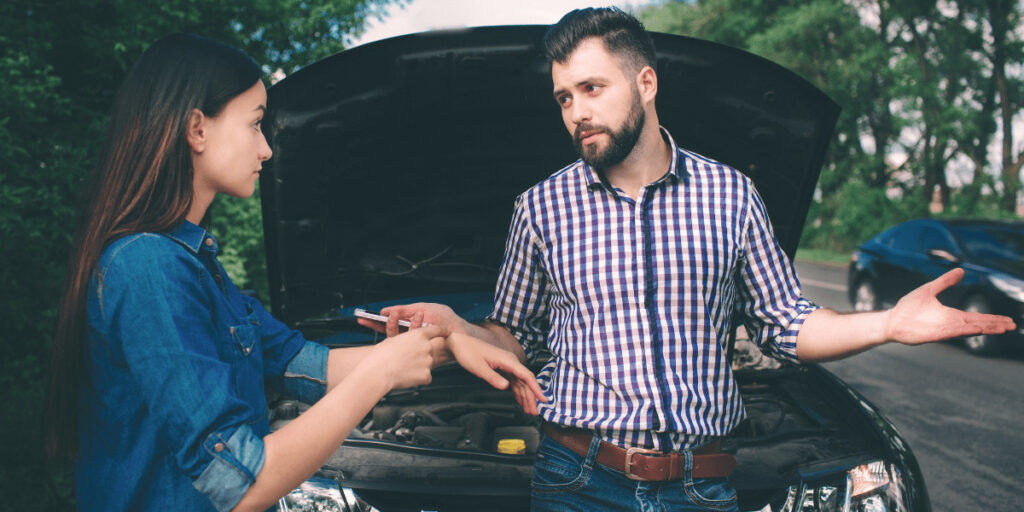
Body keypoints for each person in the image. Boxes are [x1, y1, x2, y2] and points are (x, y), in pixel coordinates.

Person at [361, 7, 1017, 512]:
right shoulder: (541, 208)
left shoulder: (731, 195)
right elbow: (512, 335)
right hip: (575, 478)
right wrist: (453, 327)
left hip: (703, 487)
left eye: (591, 88)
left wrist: (888, 325)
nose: (576, 112)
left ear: (645, 82)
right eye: (564, 97)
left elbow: (786, 323)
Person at [42, 33, 543, 512]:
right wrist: (380, 372)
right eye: (255, 124)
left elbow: (301, 361)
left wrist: (450, 335)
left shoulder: (200, 268)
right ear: (197, 129)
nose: (266, 149)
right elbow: (241, 484)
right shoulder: (147, 268)